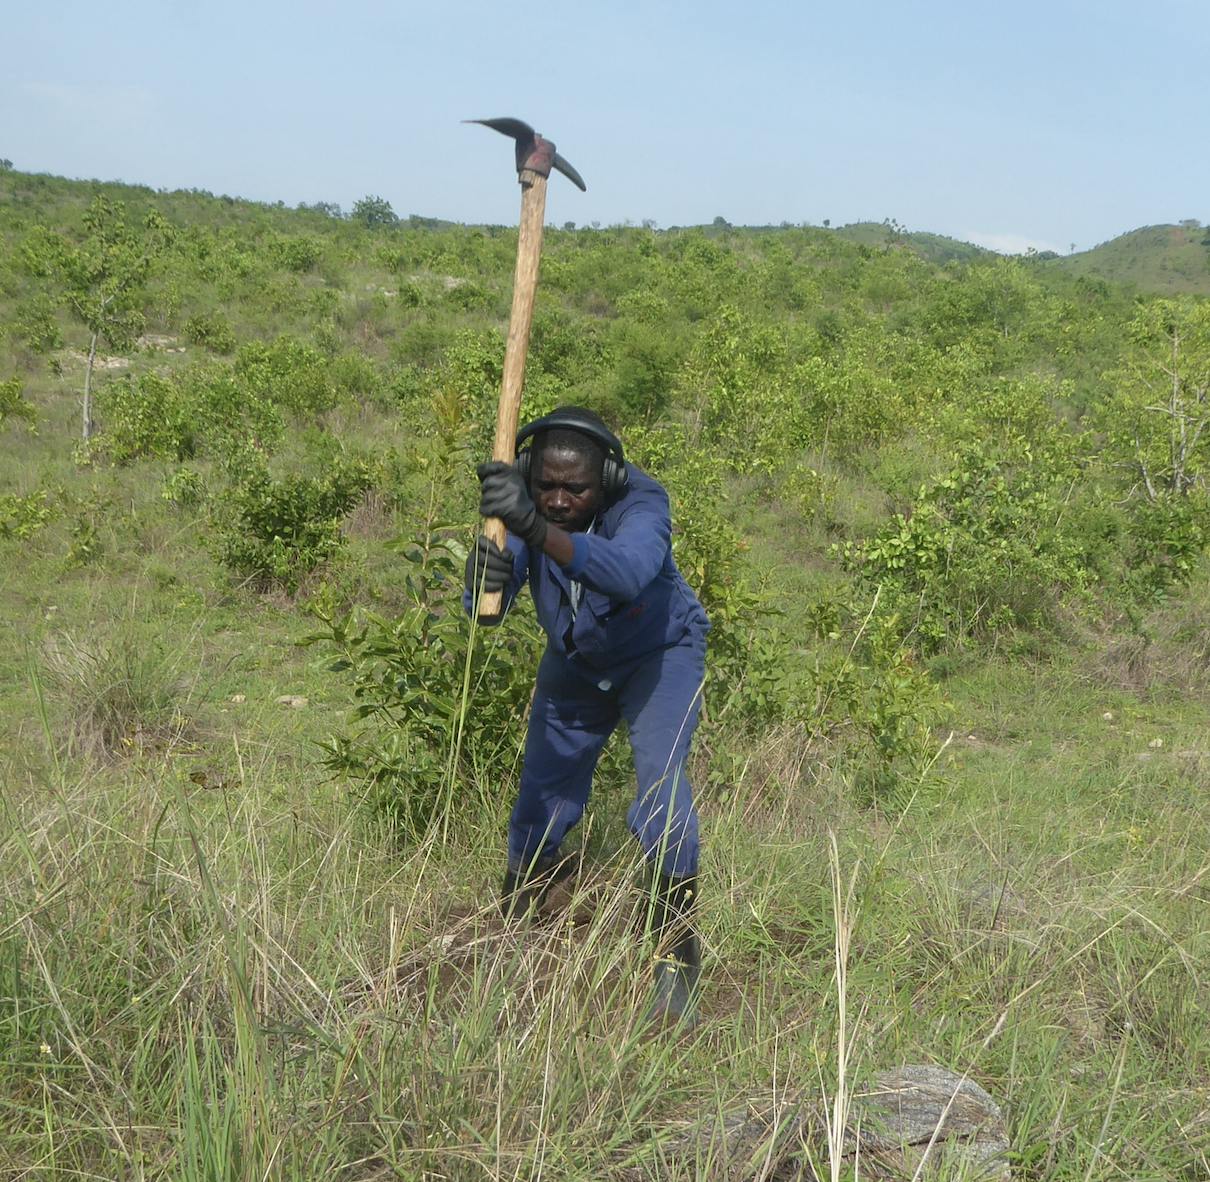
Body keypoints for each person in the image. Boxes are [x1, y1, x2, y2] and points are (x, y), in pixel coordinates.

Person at [463, 406, 710, 1024]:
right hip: (576, 656)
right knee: (542, 792)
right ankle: (524, 918)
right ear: (527, 470)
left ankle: (674, 948)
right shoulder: (523, 510)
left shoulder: (644, 504)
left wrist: (534, 526)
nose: (558, 498)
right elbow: (487, 611)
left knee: (661, 793)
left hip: (659, 655)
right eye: (545, 483)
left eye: (576, 488)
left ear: (608, 480)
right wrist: (481, 580)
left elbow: (627, 574)